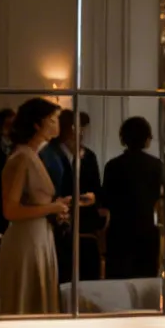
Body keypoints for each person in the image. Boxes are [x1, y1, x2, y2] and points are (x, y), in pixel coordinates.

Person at [0, 97, 72, 315]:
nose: (56, 124)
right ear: (37, 124)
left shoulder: (33, 155)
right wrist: (52, 208)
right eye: (52, 120)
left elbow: (33, 200)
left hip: (39, 236)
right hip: (26, 240)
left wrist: (58, 205)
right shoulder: (21, 158)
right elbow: (10, 210)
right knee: (27, 304)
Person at [101, 116, 165, 281]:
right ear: (146, 139)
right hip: (146, 230)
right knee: (145, 284)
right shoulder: (156, 165)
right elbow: (162, 197)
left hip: (118, 233)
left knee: (118, 285)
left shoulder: (112, 165)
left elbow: (105, 199)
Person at [47, 109, 103, 282]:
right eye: (76, 127)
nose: (80, 132)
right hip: (59, 223)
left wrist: (92, 198)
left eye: (82, 128)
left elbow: (97, 188)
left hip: (85, 224)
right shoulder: (51, 154)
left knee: (88, 275)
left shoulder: (89, 156)